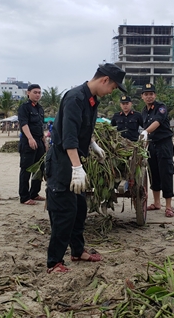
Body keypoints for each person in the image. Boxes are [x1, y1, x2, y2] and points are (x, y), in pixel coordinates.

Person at [45, 63, 126, 273]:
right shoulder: (74, 98)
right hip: (63, 160)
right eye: (113, 88)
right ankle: (54, 262)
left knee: (79, 209)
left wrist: (92, 144)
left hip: (75, 157)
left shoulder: (91, 100)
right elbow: (68, 137)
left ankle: (77, 251)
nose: (111, 93)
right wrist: (76, 168)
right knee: (64, 212)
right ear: (104, 80)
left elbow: (84, 128)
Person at [140, 83, 174, 218]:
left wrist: (145, 131)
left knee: (166, 173)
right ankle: (156, 203)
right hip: (151, 145)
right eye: (146, 94)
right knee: (153, 173)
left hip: (164, 144)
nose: (149, 97)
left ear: (155, 95)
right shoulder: (144, 111)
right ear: (142, 96)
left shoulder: (161, 108)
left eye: (151, 94)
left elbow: (158, 122)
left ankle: (168, 206)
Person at [18, 84, 46, 205]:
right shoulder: (24, 107)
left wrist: (44, 141)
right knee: (26, 169)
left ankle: (34, 193)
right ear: (28, 93)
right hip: (28, 141)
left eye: (39, 92)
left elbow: (40, 126)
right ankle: (24, 197)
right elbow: (24, 124)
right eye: (35, 92)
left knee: (39, 168)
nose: (38, 95)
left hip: (39, 141)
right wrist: (30, 138)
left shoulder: (40, 108)